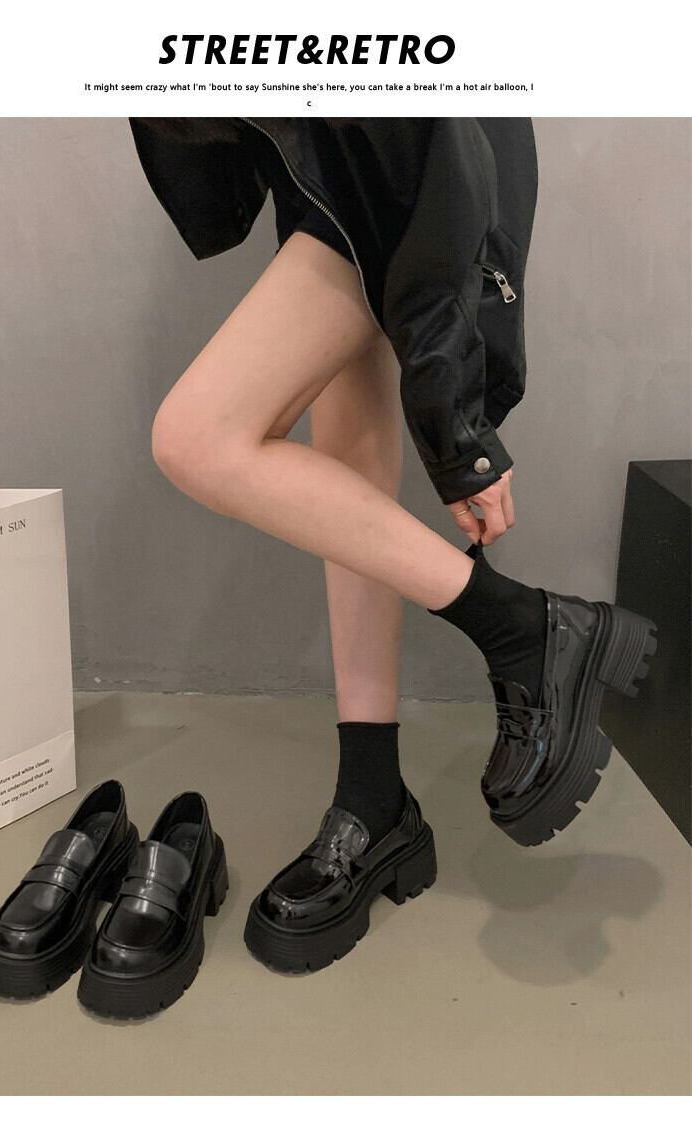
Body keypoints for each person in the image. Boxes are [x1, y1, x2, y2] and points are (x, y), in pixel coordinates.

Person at [128, 117, 657, 973]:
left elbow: (429, 140)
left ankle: (524, 627)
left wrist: (460, 436)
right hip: (341, 179)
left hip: (413, 173)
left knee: (195, 437)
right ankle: (372, 801)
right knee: (346, 475)